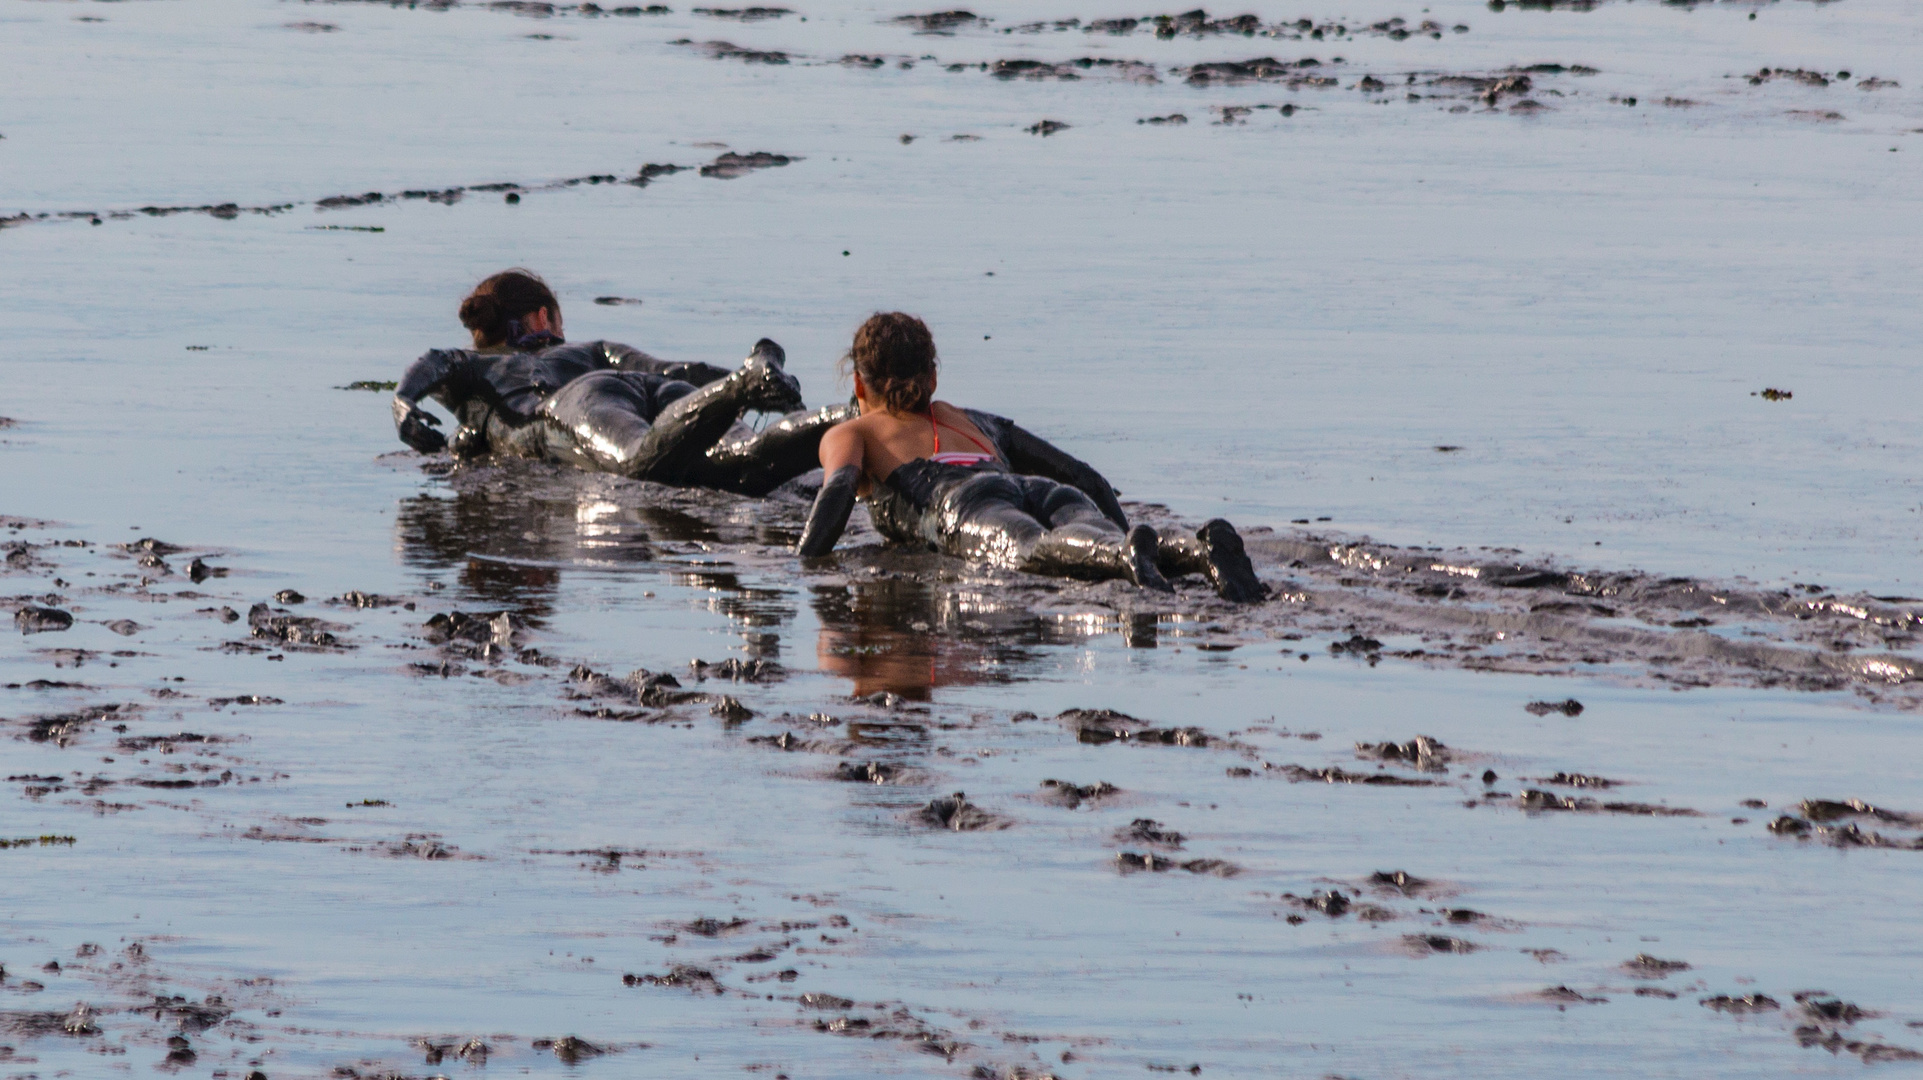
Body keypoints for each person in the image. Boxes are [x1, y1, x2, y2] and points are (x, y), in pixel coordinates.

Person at [794, 313, 1266, 603]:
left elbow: (837, 492)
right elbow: (1085, 476)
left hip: (963, 502)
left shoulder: (851, 430)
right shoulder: (975, 419)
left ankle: (1124, 554)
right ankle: (1194, 550)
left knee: (1028, 550)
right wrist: (1123, 528)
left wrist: (804, 564)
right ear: (932, 378)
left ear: (858, 385)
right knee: (1089, 533)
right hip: (1038, 489)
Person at [391, 269, 846, 493]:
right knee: (741, 462)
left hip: (575, 406)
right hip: (655, 392)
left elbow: (432, 364)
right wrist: (739, 381)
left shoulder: (474, 366)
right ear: (543, 317)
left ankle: (741, 388)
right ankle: (853, 416)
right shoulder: (592, 347)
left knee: (638, 463)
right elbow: (676, 372)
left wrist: (404, 405)